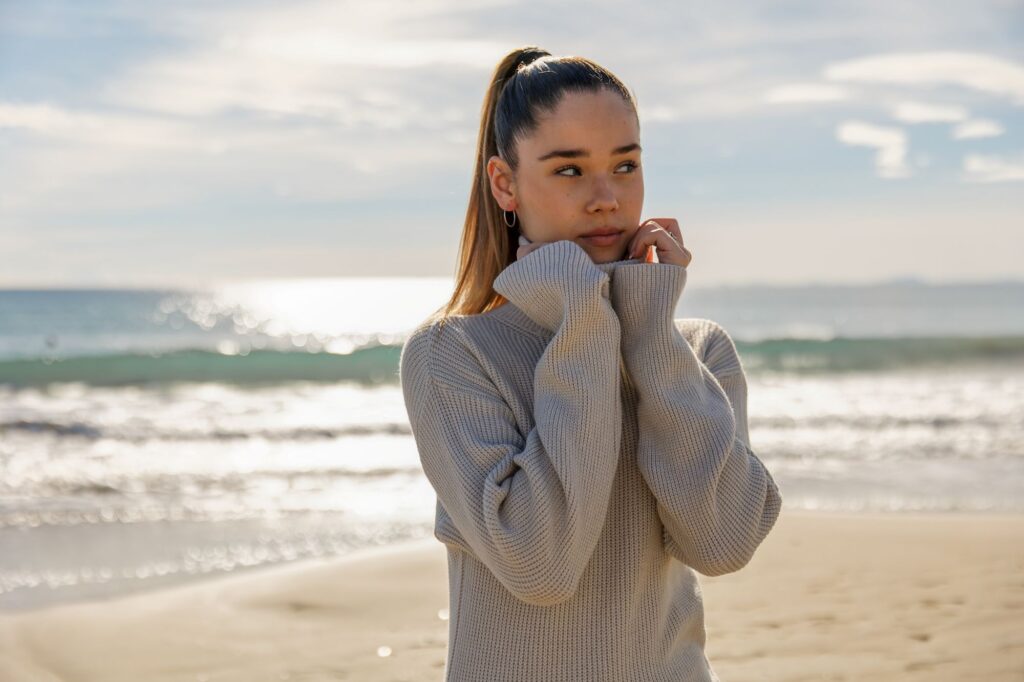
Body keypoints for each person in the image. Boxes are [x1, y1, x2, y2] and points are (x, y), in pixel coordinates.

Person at [399, 45, 783, 682]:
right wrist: (583, 322)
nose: (607, 197)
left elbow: (723, 542)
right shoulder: (451, 354)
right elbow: (540, 565)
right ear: (505, 183)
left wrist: (651, 336)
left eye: (625, 165)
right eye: (569, 170)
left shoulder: (696, 350)